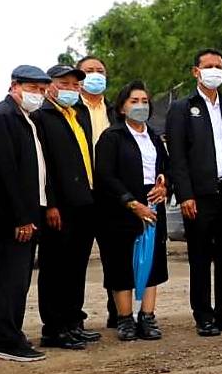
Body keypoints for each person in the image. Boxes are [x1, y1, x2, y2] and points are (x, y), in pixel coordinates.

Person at [166, 49, 222, 336]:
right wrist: (185, 194)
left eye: (219, 66)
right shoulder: (182, 108)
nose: (214, 71)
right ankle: (204, 316)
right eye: (208, 66)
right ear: (196, 71)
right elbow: (177, 157)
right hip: (199, 196)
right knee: (201, 258)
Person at [0, 65, 52, 362]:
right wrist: (20, 217)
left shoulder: (26, 118)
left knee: (15, 276)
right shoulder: (3, 117)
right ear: (15, 86)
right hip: (11, 215)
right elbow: (4, 173)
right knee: (13, 278)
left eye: (42, 90)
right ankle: (7, 340)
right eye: (32, 88)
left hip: (28, 209)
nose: (38, 95)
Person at [94, 81, 170, 341]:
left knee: (152, 261)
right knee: (121, 263)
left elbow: (166, 167)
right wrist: (131, 202)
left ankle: (147, 317)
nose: (140, 106)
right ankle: (125, 319)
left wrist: (165, 183)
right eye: (134, 101)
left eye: (144, 101)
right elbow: (105, 175)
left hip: (153, 204)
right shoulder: (112, 137)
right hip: (121, 208)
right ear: (122, 108)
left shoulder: (154, 137)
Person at [32, 65, 100, 349]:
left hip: (85, 199)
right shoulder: (41, 117)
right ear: (50, 86)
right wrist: (50, 204)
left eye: (75, 84)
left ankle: (73, 320)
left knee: (76, 265)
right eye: (64, 83)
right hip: (59, 204)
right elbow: (43, 164)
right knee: (55, 267)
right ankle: (54, 327)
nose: (71, 89)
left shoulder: (78, 113)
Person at [76, 54, 118, 328]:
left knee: (115, 256)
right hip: (81, 193)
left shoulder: (114, 111)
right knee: (77, 259)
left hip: (111, 194)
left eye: (100, 71)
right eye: (89, 71)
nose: (95, 75)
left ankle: (119, 312)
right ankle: (74, 318)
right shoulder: (72, 111)